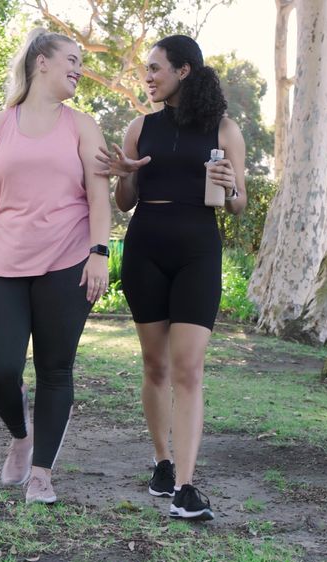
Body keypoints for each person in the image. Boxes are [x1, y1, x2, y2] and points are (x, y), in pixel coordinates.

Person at [0, 28, 111, 505]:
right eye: (72, 60)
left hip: (68, 261)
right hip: (4, 262)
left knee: (55, 369)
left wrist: (100, 253)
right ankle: (21, 435)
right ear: (42, 62)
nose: (80, 68)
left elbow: (99, 197)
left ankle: (41, 474)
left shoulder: (83, 126)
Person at [96, 35, 246, 521]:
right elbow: (125, 203)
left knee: (188, 369)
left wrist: (231, 188)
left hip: (198, 252)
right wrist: (125, 174)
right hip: (146, 250)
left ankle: (185, 484)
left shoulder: (224, 129)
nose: (149, 76)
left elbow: (239, 202)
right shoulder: (140, 127)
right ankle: (161, 462)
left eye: (156, 68)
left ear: (184, 71)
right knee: (155, 366)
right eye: (147, 69)